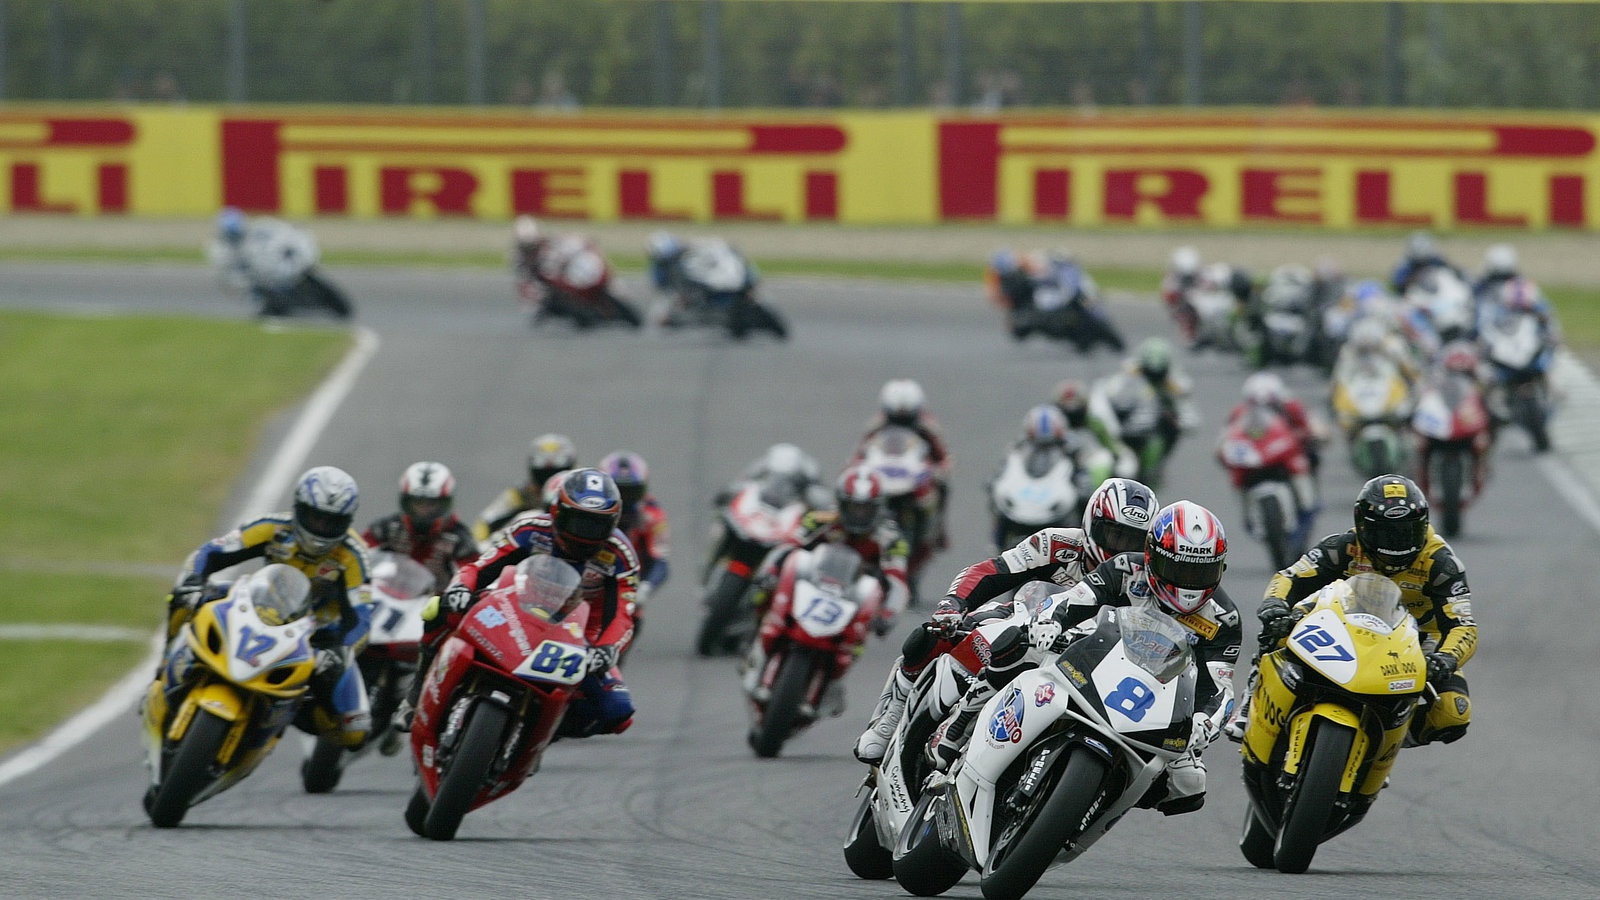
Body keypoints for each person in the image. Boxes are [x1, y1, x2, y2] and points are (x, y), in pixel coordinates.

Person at [925, 501, 1238, 815]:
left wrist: (1203, 724)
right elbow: (1076, 598)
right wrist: (1051, 622)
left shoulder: (1225, 619)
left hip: (1159, 693)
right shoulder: (1126, 568)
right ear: (1152, 555)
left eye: (1200, 572)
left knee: (1188, 785)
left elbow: (1220, 687)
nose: (1188, 583)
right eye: (1179, 569)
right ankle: (963, 719)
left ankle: (1095, 800)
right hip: (1095, 653)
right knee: (1023, 644)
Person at [853, 478, 1159, 764]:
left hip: (1092, 661)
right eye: (1114, 535)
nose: (1120, 549)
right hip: (1026, 625)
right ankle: (892, 714)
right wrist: (954, 603)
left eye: (1132, 541)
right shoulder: (1058, 542)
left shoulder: (1148, 577)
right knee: (934, 634)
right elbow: (992, 570)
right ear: (1092, 524)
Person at [1224, 474, 1476, 746]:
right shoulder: (1342, 546)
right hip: (1344, 624)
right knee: (1279, 626)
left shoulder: (1442, 563)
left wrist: (1447, 658)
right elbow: (1290, 576)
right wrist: (1275, 604)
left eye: (1406, 533)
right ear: (1362, 526)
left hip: (1416, 641)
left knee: (1453, 713)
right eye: (1385, 533)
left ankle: (1379, 744)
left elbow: (1463, 625)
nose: (1396, 544)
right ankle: (1251, 699)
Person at [397, 468, 639, 738]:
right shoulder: (531, 529)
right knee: (438, 609)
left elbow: (623, 614)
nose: (586, 535)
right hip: (516, 606)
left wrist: (606, 648)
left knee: (618, 712)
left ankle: (540, 731)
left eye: (597, 524)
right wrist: (461, 589)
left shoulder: (620, 555)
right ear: (558, 512)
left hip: (579, 633)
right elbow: (479, 567)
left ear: (613, 522)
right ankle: (416, 695)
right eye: (578, 521)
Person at [165, 466, 372, 748]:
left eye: (331, 522)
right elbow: (210, 552)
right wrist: (193, 581)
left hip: (319, 637)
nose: (322, 528)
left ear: (346, 521)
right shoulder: (272, 527)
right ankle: (168, 663)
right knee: (185, 597)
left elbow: (361, 618)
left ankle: (289, 714)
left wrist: (342, 650)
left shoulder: (354, 556)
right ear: (299, 508)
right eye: (315, 517)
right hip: (264, 609)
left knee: (356, 731)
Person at [744, 466, 911, 714]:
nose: (859, 515)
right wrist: (768, 572)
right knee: (763, 593)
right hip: (810, 587)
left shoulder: (891, 539)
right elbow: (786, 550)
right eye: (854, 507)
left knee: (858, 638)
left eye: (866, 508)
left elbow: (897, 581)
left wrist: (889, 614)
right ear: (841, 504)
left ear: (878, 508)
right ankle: (758, 640)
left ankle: (832, 682)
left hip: (852, 601)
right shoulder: (818, 520)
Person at [852, 378, 954, 562]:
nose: (901, 422)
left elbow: (943, 456)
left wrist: (938, 471)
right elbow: (860, 453)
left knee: (943, 487)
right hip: (884, 471)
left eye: (906, 419)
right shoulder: (876, 425)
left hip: (914, 475)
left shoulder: (928, 427)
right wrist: (855, 467)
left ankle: (939, 531)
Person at [1220, 372, 1325, 546]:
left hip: (1288, 457)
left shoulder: (1292, 408)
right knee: (1237, 477)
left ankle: (1307, 505)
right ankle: (1249, 516)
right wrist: (1225, 452)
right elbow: (1224, 439)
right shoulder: (1239, 414)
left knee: (1306, 477)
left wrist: (1313, 435)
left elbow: (1315, 426)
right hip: (1256, 460)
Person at [1088, 338, 1198, 489]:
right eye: (1149, 371)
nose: (1154, 376)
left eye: (1158, 373)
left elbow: (1191, 419)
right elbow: (1105, 398)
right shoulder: (1126, 377)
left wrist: (1178, 417)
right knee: (1123, 465)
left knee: (1151, 460)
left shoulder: (1173, 383)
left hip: (1150, 436)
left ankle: (1151, 474)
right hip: (1120, 431)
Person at [207, 208, 353, 319]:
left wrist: (296, 247)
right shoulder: (221, 252)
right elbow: (227, 279)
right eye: (231, 234)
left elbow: (288, 232)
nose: (235, 237)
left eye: (236, 232)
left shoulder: (262, 228)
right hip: (259, 281)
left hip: (280, 266)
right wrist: (244, 284)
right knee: (264, 305)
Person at [362, 461, 478, 589]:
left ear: (445, 503)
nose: (424, 511)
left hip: (435, 604)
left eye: (431, 504)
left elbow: (473, 574)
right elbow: (360, 554)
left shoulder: (459, 539)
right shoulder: (386, 527)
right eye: (418, 503)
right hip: (386, 596)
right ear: (406, 502)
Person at [599, 451, 670, 649]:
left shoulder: (652, 515)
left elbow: (661, 561)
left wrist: (644, 589)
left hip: (626, 583)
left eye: (631, 492)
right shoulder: (592, 507)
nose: (625, 499)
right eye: (619, 491)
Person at [473, 433, 579, 542]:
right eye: (543, 475)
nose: (551, 482)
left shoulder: (582, 492)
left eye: (558, 473)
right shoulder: (519, 494)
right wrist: (480, 548)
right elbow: (485, 522)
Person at [1389, 231, 1462, 295]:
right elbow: (1398, 284)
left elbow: (1452, 270)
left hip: (1438, 294)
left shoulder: (1435, 260)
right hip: (1415, 298)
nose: (1422, 263)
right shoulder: (1405, 266)